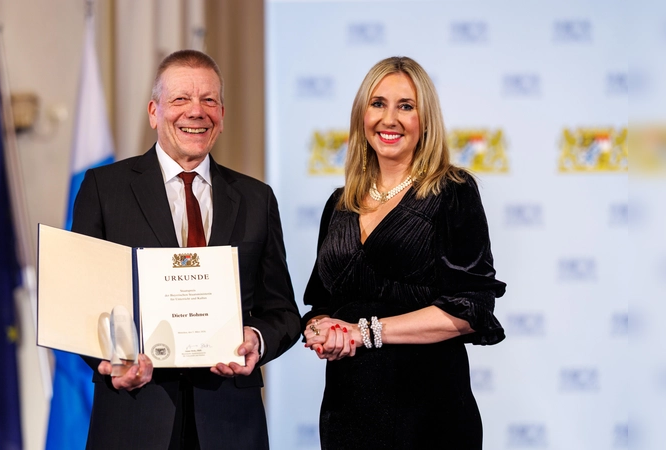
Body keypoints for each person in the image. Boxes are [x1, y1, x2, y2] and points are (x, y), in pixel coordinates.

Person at [71, 49, 301, 449]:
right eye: (180, 99)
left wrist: (256, 339)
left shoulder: (255, 198)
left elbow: (282, 311)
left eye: (209, 100)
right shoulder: (104, 189)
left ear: (222, 115)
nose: (196, 112)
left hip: (230, 423)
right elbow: (81, 303)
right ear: (154, 112)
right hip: (134, 416)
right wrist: (112, 362)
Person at [302, 56, 506, 449]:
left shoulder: (453, 193)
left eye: (406, 106)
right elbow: (320, 305)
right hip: (348, 411)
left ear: (425, 120)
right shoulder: (338, 204)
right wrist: (320, 331)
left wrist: (365, 333)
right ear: (362, 115)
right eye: (377, 104)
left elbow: (469, 309)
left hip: (429, 411)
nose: (389, 119)